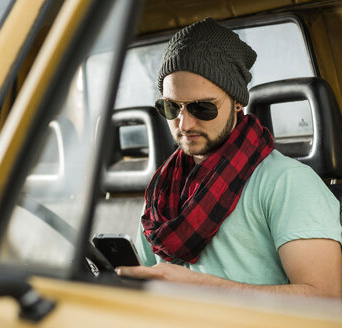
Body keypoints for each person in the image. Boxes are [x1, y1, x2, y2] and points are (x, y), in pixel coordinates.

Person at [116, 18, 342, 298]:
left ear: (237, 102)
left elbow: (327, 298)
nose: (184, 124)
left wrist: (203, 288)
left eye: (202, 108)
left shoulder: (288, 183)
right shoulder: (162, 188)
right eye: (172, 107)